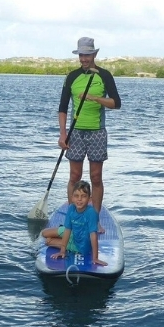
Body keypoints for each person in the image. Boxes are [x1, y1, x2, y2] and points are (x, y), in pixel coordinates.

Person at [57, 37, 121, 223]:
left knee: (96, 177)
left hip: (97, 132)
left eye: (88, 55)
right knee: (74, 176)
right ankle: (72, 218)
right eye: (81, 55)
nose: (84, 59)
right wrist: (63, 133)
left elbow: (116, 103)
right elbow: (62, 108)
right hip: (75, 133)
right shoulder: (72, 77)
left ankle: (95, 219)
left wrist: (94, 98)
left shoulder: (104, 75)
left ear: (95, 54)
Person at [41, 180, 107, 266]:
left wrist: (95, 258)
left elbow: (93, 236)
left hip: (80, 245)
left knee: (48, 241)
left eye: (83, 196)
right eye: (76, 196)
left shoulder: (91, 213)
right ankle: (62, 242)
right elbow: (68, 230)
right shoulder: (71, 208)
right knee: (44, 232)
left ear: (89, 199)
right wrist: (62, 251)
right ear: (72, 198)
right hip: (73, 232)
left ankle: (66, 245)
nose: (79, 199)